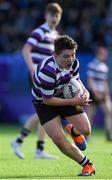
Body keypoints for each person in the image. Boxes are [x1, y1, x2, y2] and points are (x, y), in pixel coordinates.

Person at [32, 35, 95, 176]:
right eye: (66, 56)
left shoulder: (74, 63)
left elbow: (76, 80)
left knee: (86, 130)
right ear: (55, 55)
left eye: (73, 55)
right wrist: (74, 102)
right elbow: (47, 100)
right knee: (59, 139)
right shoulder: (48, 71)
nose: (71, 59)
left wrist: (85, 92)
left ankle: (74, 131)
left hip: (65, 95)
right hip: (43, 102)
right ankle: (87, 165)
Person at [11, 2, 63, 159]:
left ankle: (39, 149)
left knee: (47, 112)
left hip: (47, 77)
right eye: (52, 15)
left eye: (57, 15)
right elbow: (25, 49)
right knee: (45, 111)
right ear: (45, 15)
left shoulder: (56, 35)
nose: (54, 18)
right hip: (37, 75)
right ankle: (19, 140)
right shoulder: (40, 31)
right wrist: (32, 68)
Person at [86, 47, 112, 141]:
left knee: (109, 111)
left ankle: (109, 134)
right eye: (104, 55)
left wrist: (106, 94)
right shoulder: (92, 64)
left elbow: (104, 82)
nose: (105, 57)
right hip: (94, 92)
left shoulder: (104, 66)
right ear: (99, 54)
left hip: (102, 92)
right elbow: (90, 80)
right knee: (90, 114)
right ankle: (86, 135)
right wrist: (96, 93)